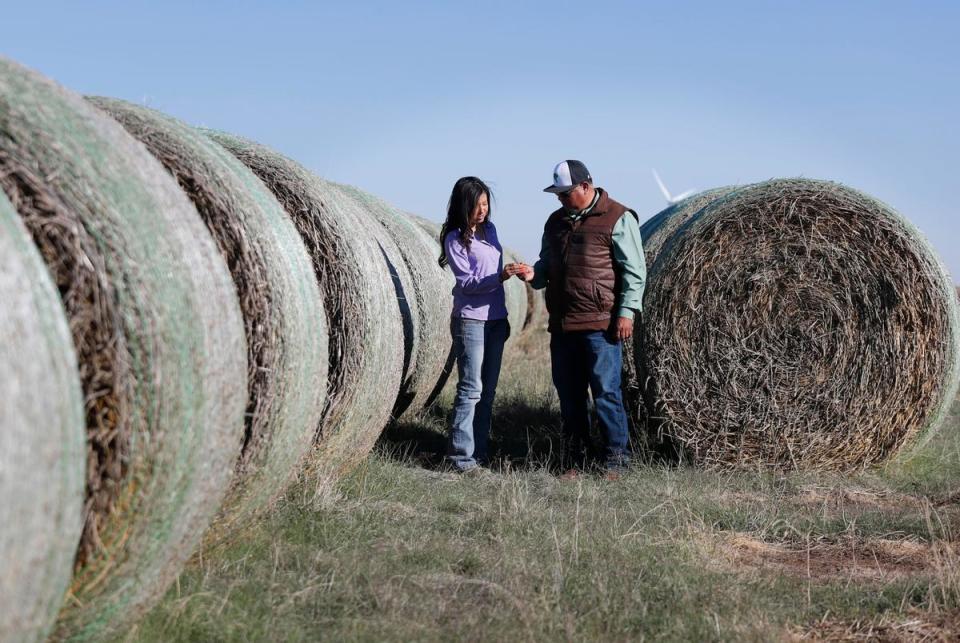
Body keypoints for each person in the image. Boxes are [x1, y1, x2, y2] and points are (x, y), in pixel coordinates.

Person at [518, 160, 646, 477]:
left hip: (601, 326)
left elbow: (635, 271)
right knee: (570, 396)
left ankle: (617, 459)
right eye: (557, 195)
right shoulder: (555, 222)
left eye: (565, 194)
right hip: (563, 324)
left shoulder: (618, 217)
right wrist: (534, 275)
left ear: (585, 187)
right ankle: (575, 459)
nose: (560, 200)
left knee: (606, 393)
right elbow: (546, 264)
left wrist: (626, 312)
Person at [440, 176, 522, 473]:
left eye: (486, 204)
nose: (483, 210)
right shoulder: (454, 238)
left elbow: (492, 269)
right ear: (464, 205)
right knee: (471, 389)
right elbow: (469, 284)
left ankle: (480, 453)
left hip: (496, 319)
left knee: (488, 392)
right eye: (477, 205)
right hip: (471, 321)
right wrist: (501, 276)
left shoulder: (490, 230)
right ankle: (461, 458)